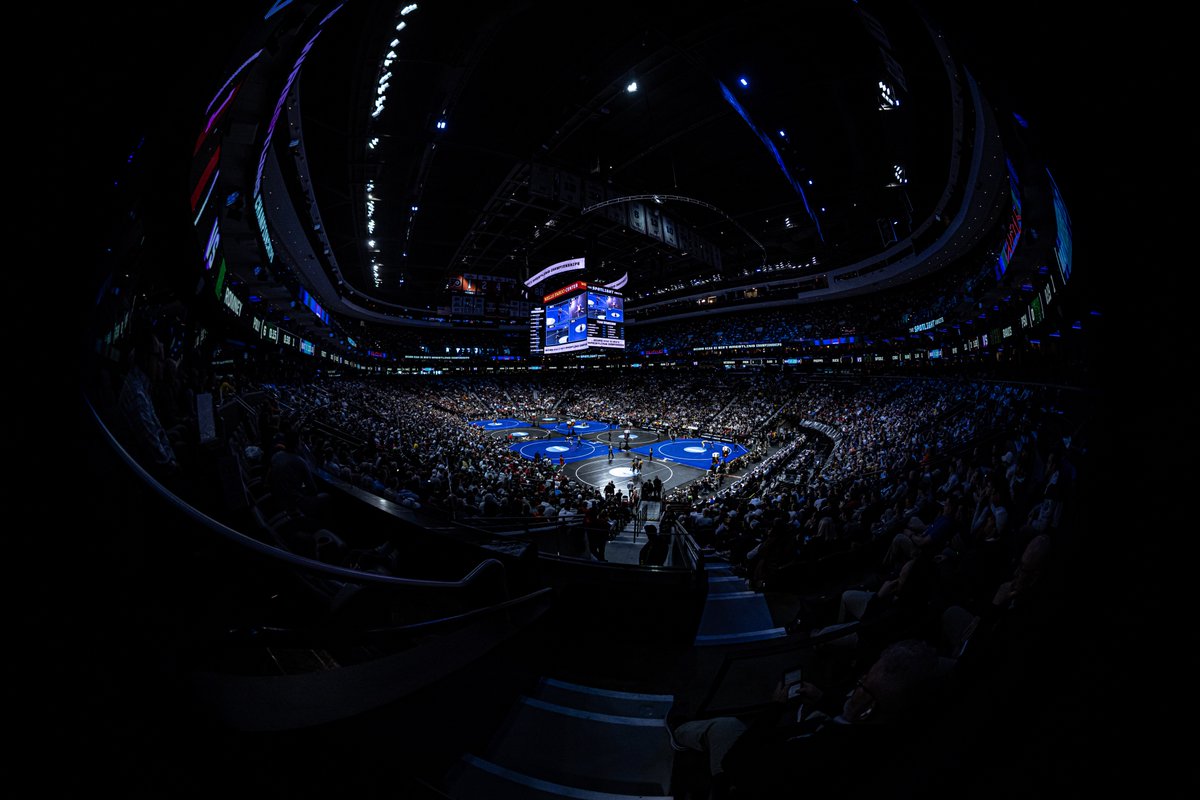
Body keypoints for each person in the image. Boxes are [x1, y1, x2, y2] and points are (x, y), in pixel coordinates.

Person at [670, 639, 950, 797]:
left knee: (725, 727)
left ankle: (679, 732)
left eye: (864, 684)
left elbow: (737, 764)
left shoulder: (823, 754)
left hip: (746, 782)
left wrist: (775, 709)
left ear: (869, 709)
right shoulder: (898, 736)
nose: (857, 685)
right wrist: (823, 700)